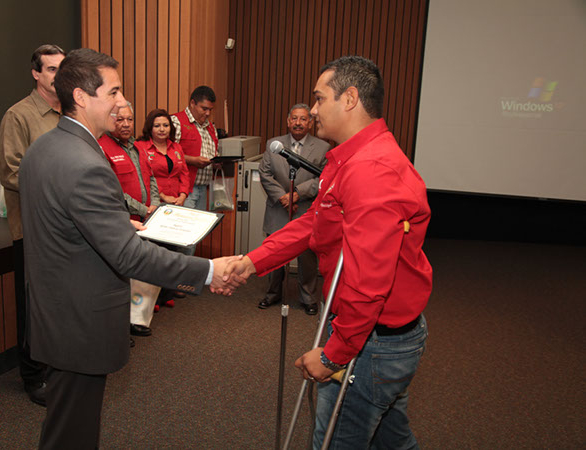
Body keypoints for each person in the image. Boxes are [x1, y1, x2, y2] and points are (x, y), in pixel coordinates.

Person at [19, 48, 240, 449]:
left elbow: (63, 225)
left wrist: (119, 225)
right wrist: (209, 271)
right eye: (115, 91)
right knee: (73, 433)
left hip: (55, 312)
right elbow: (128, 257)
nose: (122, 102)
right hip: (80, 322)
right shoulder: (86, 162)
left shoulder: (45, 147)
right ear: (83, 97)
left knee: (66, 424)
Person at [224, 56, 432, 448]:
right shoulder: (349, 159)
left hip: (374, 343)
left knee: (335, 441)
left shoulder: (372, 171)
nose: (314, 110)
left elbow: (367, 283)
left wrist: (335, 355)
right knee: (392, 441)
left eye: (320, 99)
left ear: (350, 98)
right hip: (377, 337)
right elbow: (312, 225)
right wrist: (253, 262)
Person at [0, 43, 66, 406]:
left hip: (66, 230)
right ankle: (32, 376)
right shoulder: (19, 116)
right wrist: (59, 185)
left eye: (62, 68)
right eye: (52, 69)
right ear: (36, 74)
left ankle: (55, 367)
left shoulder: (70, 114)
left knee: (57, 304)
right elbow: (11, 172)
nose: (58, 74)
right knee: (33, 307)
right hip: (34, 230)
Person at [257, 103, 330, 315]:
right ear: (288, 121)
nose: (298, 123)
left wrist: (298, 193)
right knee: (274, 254)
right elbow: (265, 174)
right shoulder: (274, 144)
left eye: (303, 119)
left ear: (310, 122)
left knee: (307, 259)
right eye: (294, 119)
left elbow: (324, 178)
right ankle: (273, 294)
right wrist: (283, 197)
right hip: (278, 209)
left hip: (306, 211)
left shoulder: (323, 147)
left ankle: (307, 297)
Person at [98, 104, 160, 337]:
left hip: (146, 220)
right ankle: (120, 328)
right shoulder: (102, 147)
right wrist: (144, 208)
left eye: (130, 119)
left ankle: (136, 321)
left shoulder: (138, 147)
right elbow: (112, 190)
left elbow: (151, 178)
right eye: (120, 119)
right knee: (121, 277)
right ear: (110, 119)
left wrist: (154, 204)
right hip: (122, 221)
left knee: (142, 273)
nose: (125, 124)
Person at [136, 109, 191, 308]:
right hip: (155, 206)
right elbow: (144, 177)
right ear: (150, 128)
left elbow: (184, 173)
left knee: (172, 250)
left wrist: (183, 195)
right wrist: (163, 197)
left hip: (176, 205)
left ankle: (167, 292)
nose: (162, 129)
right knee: (155, 252)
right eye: (157, 125)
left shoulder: (176, 147)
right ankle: (154, 296)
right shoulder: (140, 147)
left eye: (165, 125)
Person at [171, 85, 219, 211]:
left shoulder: (211, 127)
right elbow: (168, 155)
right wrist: (193, 160)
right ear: (192, 103)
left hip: (204, 187)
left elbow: (214, 152)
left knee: (199, 228)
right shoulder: (176, 121)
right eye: (204, 108)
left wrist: (216, 162)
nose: (208, 113)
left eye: (210, 110)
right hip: (184, 189)